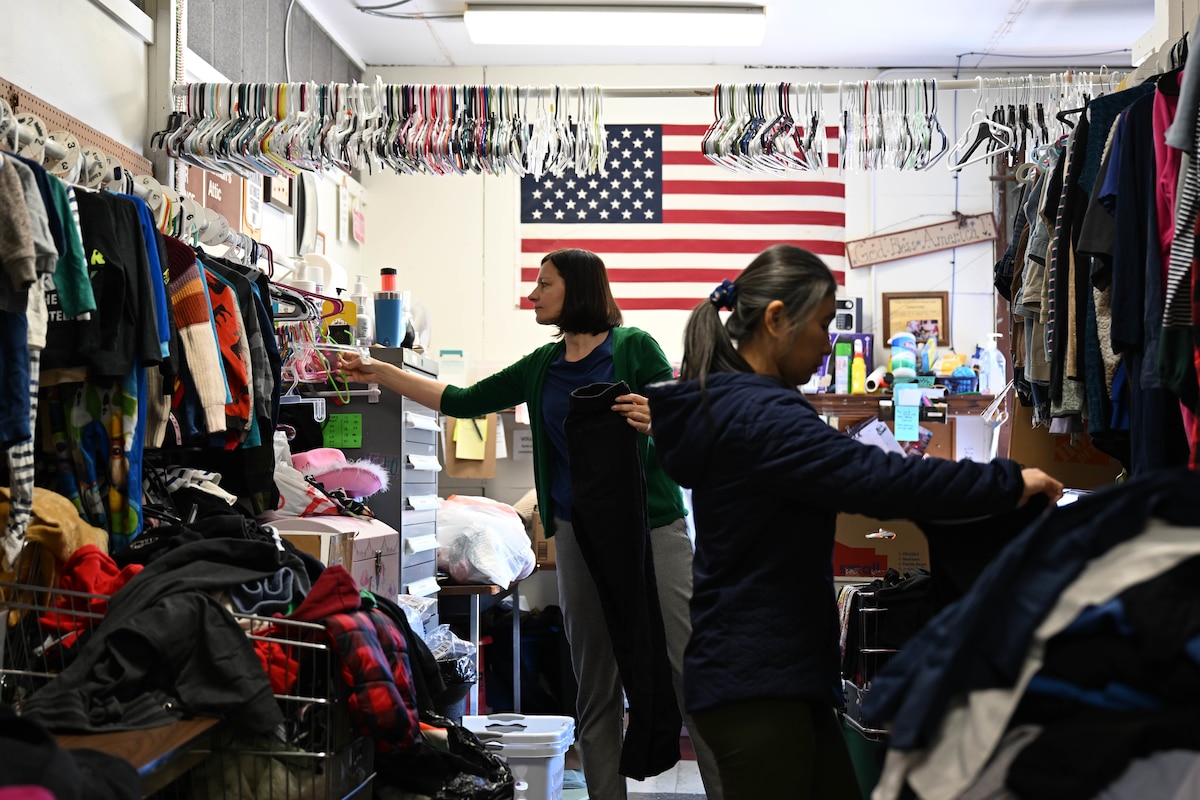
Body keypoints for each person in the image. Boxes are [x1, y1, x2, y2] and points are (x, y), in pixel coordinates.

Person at [643, 243, 1064, 800]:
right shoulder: (763, 416)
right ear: (775, 320)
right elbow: (878, 479)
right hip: (759, 680)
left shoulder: (734, 407)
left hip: (769, 673)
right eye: (821, 325)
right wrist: (1009, 483)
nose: (828, 344)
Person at [338, 248, 723, 800]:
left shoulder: (634, 347)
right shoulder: (541, 366)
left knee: (690, 672)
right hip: (578, 538)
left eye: (544, 284)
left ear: (580, 289)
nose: (533, 295)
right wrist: (381, 371)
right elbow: (461, 400)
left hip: (654, 531)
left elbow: (681, 416)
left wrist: (659, 419)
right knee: (595, 688)